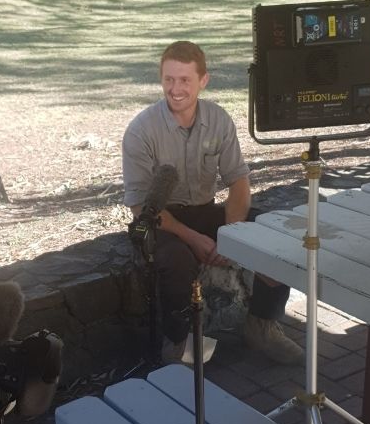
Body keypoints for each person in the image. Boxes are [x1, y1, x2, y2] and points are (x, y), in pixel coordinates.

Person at [122, 40, 304, 366]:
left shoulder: (219, 120)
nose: (175, 89)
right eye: (169, 79)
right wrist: (193, 238)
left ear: (203, 81)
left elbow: (238, 181)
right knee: (176, 260)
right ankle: (177, 345)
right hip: (159, 218)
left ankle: (262, 324)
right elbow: (140, 206)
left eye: (185, 80)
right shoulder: (141, 130)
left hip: (204, 209)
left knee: (276, 234)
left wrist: (233, 236)